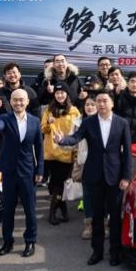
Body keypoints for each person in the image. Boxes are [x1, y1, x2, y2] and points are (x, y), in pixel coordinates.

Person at [53, 91, 132, 266]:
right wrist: (62, 140)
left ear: (112, 103)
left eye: (105, 101)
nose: (101, 104)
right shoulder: (88, 122)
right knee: (96, 216)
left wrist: (126, 177)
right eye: (98, 101)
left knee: (115, 217)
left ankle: (115, 252)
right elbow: (76, 137)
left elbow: (127, 152)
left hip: (115, 176)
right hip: (93, 175)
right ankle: (97, 252)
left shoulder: (122, 123)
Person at [0, 89, 44, 258]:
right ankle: (7, 241)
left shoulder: (35, 121)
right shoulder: (4, 118)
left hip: (28, 171)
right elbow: (0, 127)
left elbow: (39, 147)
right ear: (11, 102)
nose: (18, 103)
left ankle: (30, 241)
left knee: (30, 209)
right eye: (15, 100)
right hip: (9, 171)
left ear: (27, 101)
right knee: (8, 209)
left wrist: (40, 169)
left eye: (21, 100)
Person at [40, 85, 80, 226]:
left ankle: (52, 213)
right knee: (54, 185)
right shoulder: (48, 110)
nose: (60, 95)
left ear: (67, 94)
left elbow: (77, 133)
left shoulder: (74, 111)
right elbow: (43, 129)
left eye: (62, 92)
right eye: (57, 93)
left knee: (59, 185)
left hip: (67, 153)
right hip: (51, 153)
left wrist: (76, 153)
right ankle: (64, 212)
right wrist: (48, 122)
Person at [70, 96, 99, 240]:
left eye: (93, 104)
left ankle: (104, 224)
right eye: (87, 104)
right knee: (87, 196)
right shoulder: (78, 122)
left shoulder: (105, 121)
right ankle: (89, 225)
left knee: (102, 196)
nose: (90, 107)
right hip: (84, 163)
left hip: (102, 163)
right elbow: (72, 141)